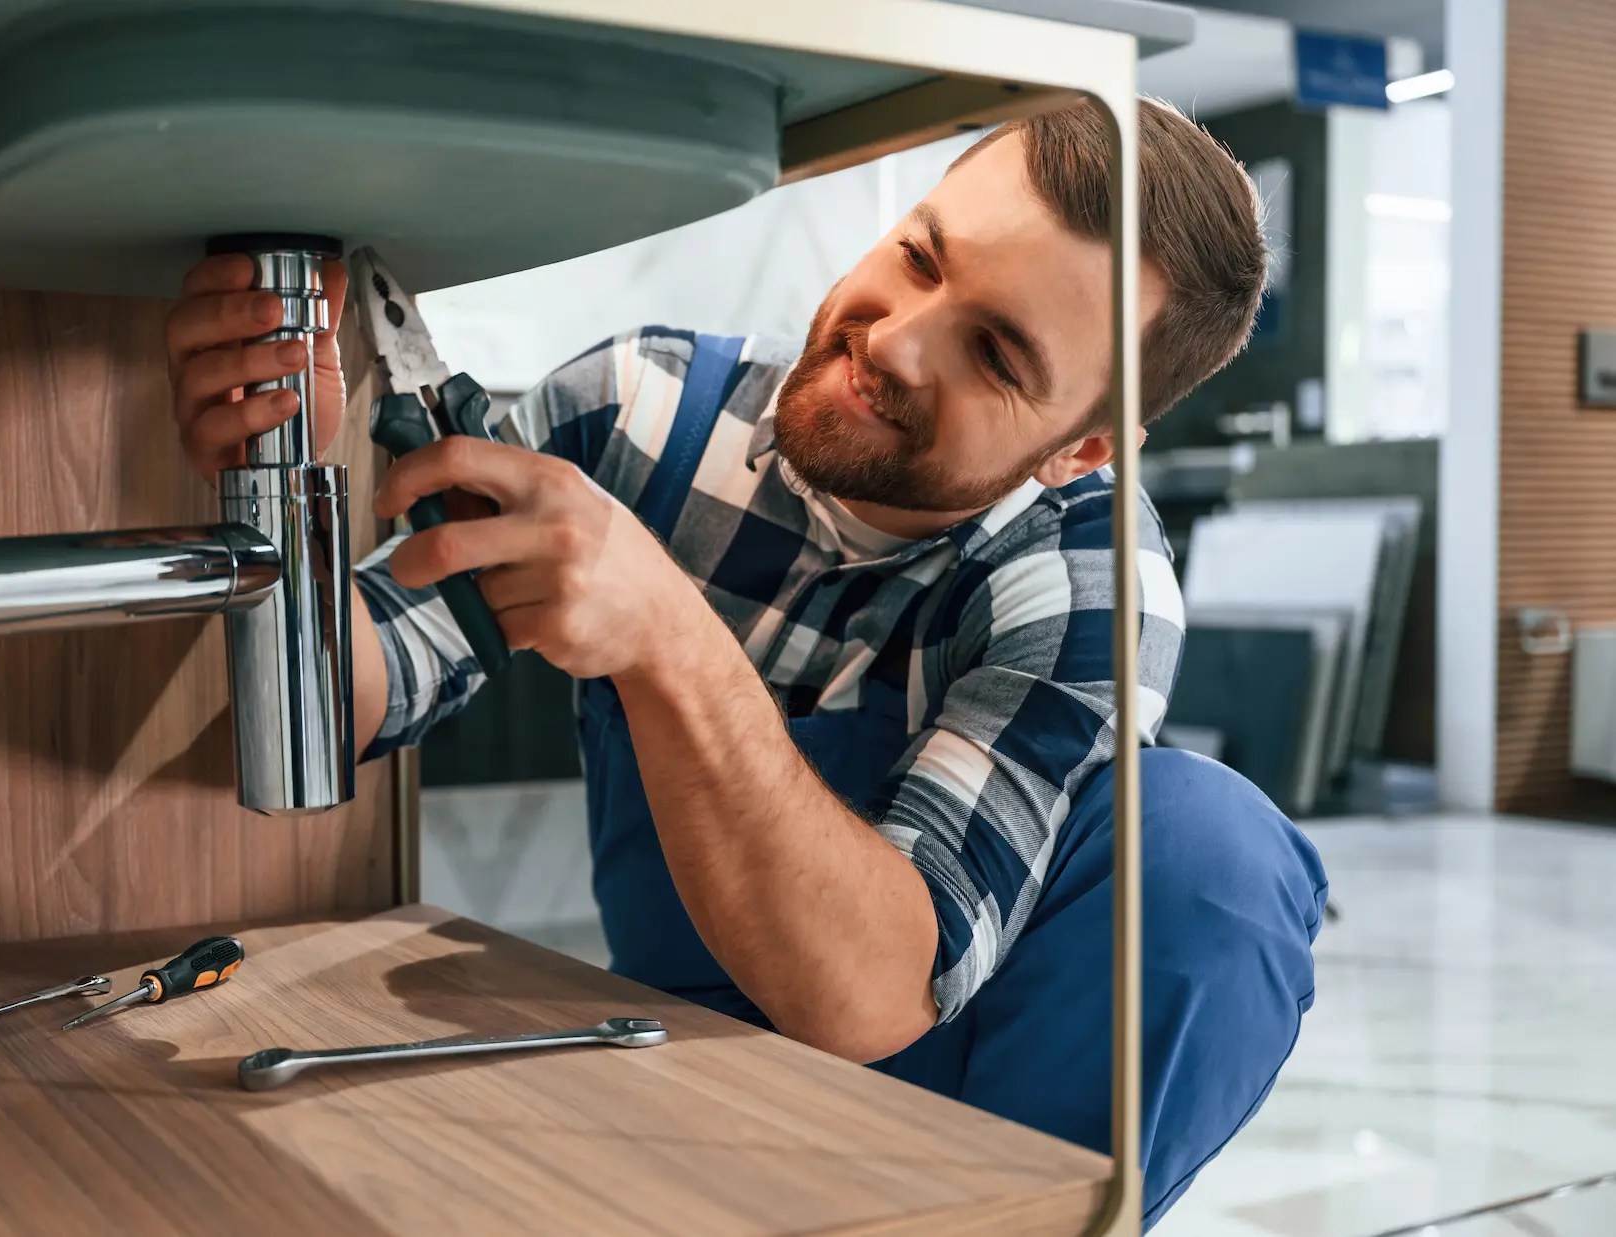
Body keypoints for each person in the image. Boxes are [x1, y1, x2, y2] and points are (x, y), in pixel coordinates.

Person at [166, 98, 1328, 1227]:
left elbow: (870, 995)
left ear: (1077, 449)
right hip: (681, 1057)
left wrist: (668, 635)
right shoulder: (640, 410)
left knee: (1206, 847)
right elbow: (348, 690)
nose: (895, 342)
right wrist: (287, 482)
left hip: (969, 1094)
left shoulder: (1086, 575)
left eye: (997, 354)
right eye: (922, 259)